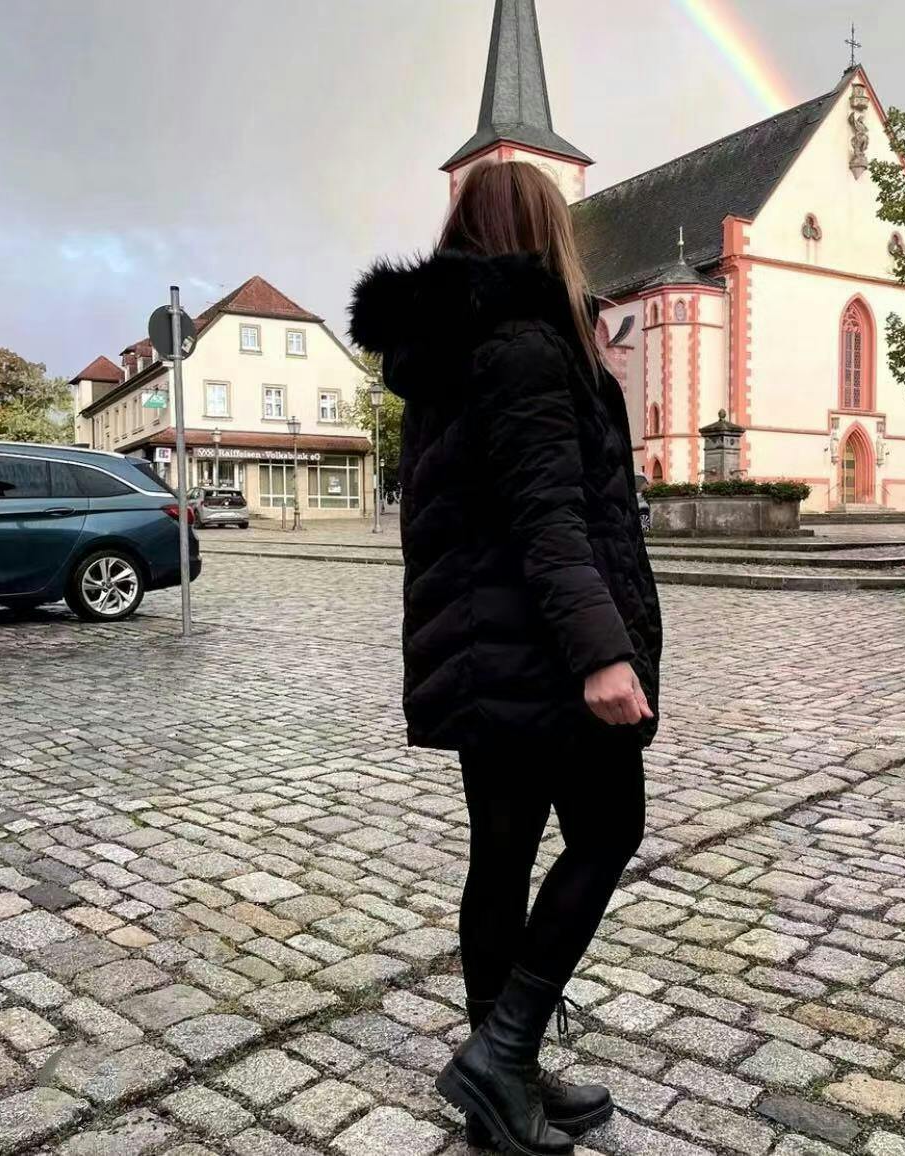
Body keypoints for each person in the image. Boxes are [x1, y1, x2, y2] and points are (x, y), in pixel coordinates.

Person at [349, 161, 662, 1155]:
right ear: (542, 231)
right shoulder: (525, 344)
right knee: (608, 830)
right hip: (543, 654)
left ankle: (502, 1071)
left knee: (502, 855)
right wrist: (602, 652)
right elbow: (547, 515)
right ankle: (503, 1054)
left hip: (485, 655)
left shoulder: (451, 347)